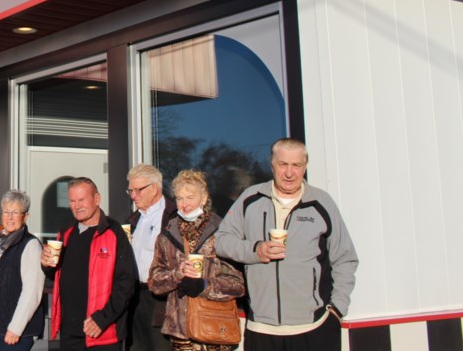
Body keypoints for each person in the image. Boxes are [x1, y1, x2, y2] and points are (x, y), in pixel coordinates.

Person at [215, 138, 359, 351]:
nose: (289, 173)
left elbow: (345, 258)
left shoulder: (321, 203)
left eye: (296, 165)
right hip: (262, 329)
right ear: (272, 164)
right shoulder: (251, 199)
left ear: (305, 166)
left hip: (314, 327)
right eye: (283, 164)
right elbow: (221, 241)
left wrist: (337, 309)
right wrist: (255, 250)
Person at [147, 170, 246, 350]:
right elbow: (154, 283)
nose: (184, 205)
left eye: (190, 197)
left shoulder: (222, 232)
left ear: (204, 197)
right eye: (179, 198)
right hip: (181, 332)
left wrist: (204, 285)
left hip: (215, 329)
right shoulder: (167, 235)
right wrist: (178, 274)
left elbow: (237, 285)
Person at [42, 177, 136, 350]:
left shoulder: (114, 233)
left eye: (82, 200)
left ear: (97, 199)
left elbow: (126, 282)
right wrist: (46, 264)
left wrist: (103, 318)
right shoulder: (66, 232)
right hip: (69, 331)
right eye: (72, 201)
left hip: (102, 331)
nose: (77, 206)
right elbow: (56, 276)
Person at [0, 190, 44, 351]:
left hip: (15, 331)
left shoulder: (30, 245)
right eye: (6, 212)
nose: (9, 217)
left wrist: (16, 327)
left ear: (25, 216)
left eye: (15, 212)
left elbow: (32, 291)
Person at [124, 164, 176, 351]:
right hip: (134, 296)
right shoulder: (133, 219)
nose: (132, 196)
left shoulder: (174, 217)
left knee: (160, 346)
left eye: (138, 190)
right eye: (130, 190)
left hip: (160, 299)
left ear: (154, 188)